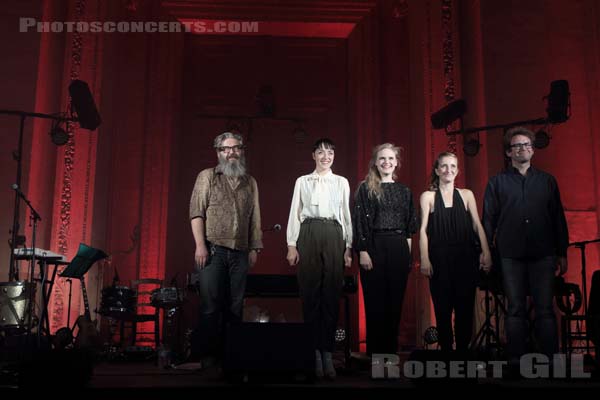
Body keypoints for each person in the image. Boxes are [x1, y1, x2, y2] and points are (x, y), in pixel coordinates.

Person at [483, 126, 568, 372]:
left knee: (544, 308)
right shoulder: (497, 182)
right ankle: (516, 362)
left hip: (544, 253)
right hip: (510, 254)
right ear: (509, 152)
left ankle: (552, 362)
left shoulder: (547, 181)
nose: (524, 149)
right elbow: (488, 218)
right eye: (518, 145)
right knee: (516, 308)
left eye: (528, 145)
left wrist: (562, 252)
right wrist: (486, 252)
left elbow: (557, 219)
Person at [189, 132, 262, 367]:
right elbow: (196, 212)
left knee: (235, 306)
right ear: (218, 152)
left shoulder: (250, 182)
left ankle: (230, 355)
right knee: (210, 305)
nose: (231, 152)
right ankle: (207, 357)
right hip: (212, 250)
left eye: (236, 148)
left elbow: (255, 218)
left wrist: (254, 248)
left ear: (241, 151)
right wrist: (200, 245)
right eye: (226, 149)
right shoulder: (207, 176)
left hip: (240, 251)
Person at [286, 138, 353, 379]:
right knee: (310, 293)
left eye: (330, 152)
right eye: (321, 152)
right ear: (313, 155)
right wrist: (291, 245)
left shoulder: (341, 182)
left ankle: (327, 352)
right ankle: (313, 351)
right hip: (309, 231)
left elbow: (346, 214)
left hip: (334, 233)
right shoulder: (302, 181)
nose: (326, 156)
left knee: (331, 294)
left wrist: (348, 247)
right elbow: (295, 212)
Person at [419, 152, 492, 354]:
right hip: (439, 259)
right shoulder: (428, 197)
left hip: (465, 259)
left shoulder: (467, 194)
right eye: (444, 166)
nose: (448, 170)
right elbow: (423, 231)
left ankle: (462, 354)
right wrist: (424, 258)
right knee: (442, 310)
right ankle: (446, 356)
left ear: (458, 170)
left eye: (452, 166)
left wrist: (486, 252)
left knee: (464, 309)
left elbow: (477, 225)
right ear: (437, 170)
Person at [352, 143, 418, 358]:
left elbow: (409, 229)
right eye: (382, 158)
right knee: (374, 306)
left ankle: (390, 359)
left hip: (399, 246)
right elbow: (359, 222)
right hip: (374, 246)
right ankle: (376, 359)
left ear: (397, 162)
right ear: (375, 162)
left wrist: (408, 257)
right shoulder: (366, 188)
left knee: (394, 306)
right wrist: (362, 251)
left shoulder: (404, 191)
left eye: (390, 158)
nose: (386, 162)